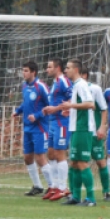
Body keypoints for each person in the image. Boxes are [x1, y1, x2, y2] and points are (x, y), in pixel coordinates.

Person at [58, 59, 97, 206]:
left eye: (67, 68)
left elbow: (90, 104)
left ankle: (91, 198)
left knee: (81, 162)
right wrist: (71, 110)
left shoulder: (81, 84)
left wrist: (71, 105)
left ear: (75, 70)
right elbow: (81, 105)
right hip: (76, 127)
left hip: (83, 128)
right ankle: (75, 196)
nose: (65, 70)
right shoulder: (76, 85)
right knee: (73, 163)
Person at [12, 61, 52, 196]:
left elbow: (50, 106)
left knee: (40, 157)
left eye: (26, 71)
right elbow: (26, 103)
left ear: (33, 72)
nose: (24, 73)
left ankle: (53, 187)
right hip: (27, 127)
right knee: (28, 157)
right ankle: (37, 186)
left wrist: (37, 115)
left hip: (40, 127)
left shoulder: (41, 87)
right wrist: (18, 111)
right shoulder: (24, 86)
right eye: (23, 70)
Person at [41, 58, 72, 201]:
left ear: (57, 68)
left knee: (60, 153)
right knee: (51, 153)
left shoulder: (64, 81)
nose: (47, 69)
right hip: (52, 122)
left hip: (62, 122)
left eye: (49, 67)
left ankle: (63, 187)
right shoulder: (55, 83)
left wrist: (57, 108)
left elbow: (73, 100)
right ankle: (54, 186)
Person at [81, 67, 110, 201]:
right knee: (78, 162)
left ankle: (107, 191)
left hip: (94, 133)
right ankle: (79, 193)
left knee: (100, 161)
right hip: (80, 132)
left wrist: (102, 127)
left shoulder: (95, 89)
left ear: (84, 75)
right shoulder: (73, 89)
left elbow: (104, 109)